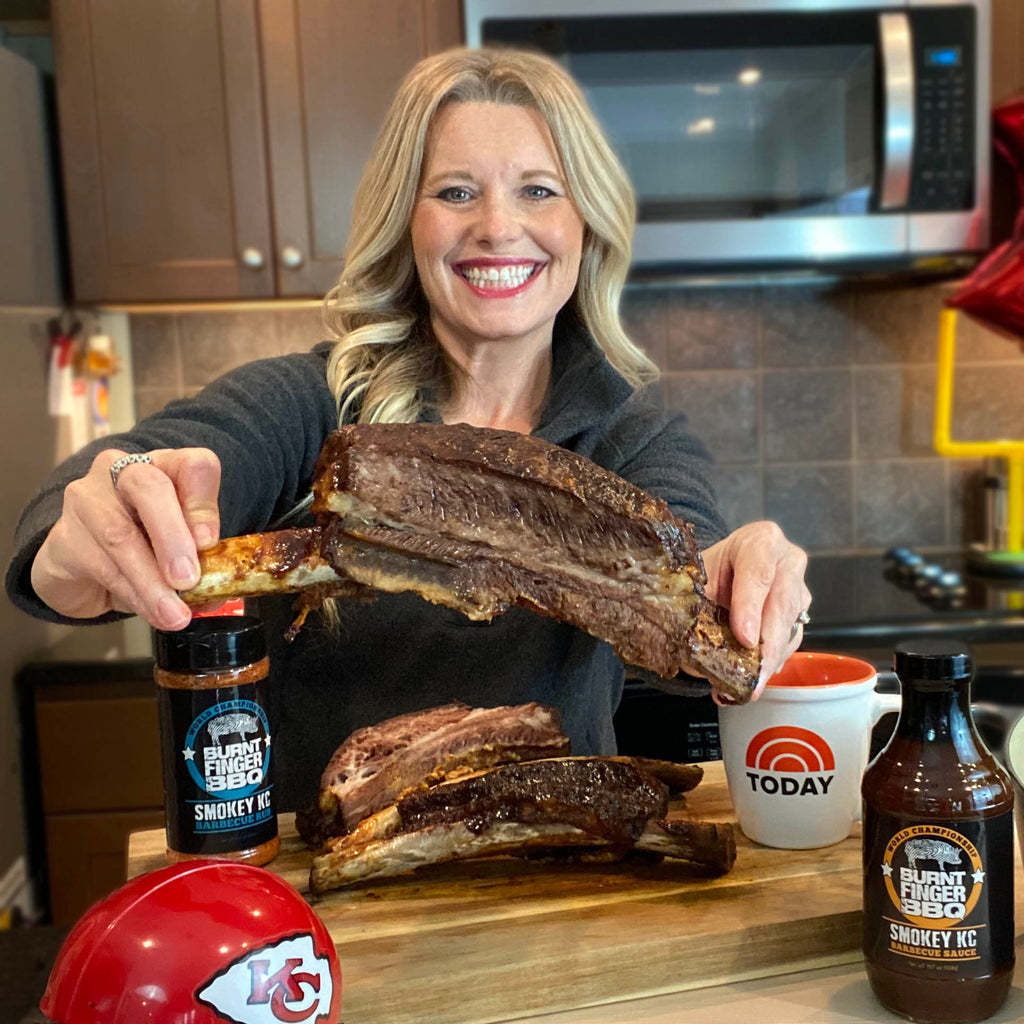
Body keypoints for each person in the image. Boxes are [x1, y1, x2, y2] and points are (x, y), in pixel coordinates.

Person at [6, 47, 810, 811]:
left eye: (539, 189)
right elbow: (126, 486)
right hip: (322, 916)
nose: (498, 228)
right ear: (406, 222)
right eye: (456, 192)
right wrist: (103, 511)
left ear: (587, 222)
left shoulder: (633, 438)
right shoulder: (313, 406)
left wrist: (742, 588)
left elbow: (693, 583)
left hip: (554, 899)